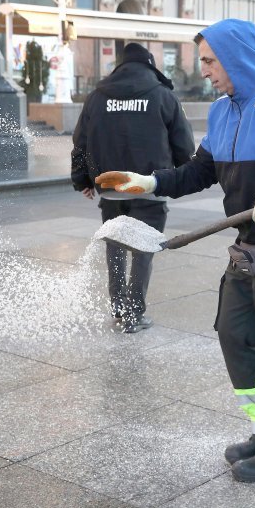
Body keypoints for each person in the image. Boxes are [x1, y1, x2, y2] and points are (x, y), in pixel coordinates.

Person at [95, 20, 255, 481]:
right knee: (234, 333)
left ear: (235, 58)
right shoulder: (222, 112)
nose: (207, 71)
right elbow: (199, 171)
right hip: (249, 243)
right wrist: (151, 182)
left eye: (212, 62)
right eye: (205, 63)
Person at [71, 43, 194, 333]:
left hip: (110, 188)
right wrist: (177, 173)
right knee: (142, 249)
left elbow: (82, 143)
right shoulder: (163, 96)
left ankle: (118, 307)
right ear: (149, 65)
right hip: (149, 186)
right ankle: (134, 314)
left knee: (115, 246)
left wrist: (84, 180)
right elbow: (184, 146)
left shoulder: (97, 97)